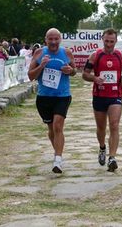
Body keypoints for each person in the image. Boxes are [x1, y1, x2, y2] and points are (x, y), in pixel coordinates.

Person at [82, 28, 122, 172]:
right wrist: (95, 78)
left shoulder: (121, 55)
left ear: (116, 41)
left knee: (114, 125)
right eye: (107, 41)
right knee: (101, 128)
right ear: (102, 40)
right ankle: (102, 147)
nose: (109, 44)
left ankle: (112, 157)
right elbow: (85, 74)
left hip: (115, 96)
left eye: (112, 41)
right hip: (99, 96)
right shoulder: (95, 55)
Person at [28, 28, 76, 173]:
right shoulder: (38, 53)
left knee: (57, 126)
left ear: (60, 39)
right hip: (44, 97)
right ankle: (58, 152)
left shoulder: (66, 53)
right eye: (51, 39)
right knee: (51, 129)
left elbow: (74, 71)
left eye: (56, 39)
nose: (53, 42)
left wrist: (70, 70)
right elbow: (30, 76)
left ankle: (57, 160)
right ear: (46, 40)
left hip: (62, 95)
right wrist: (41, 66)